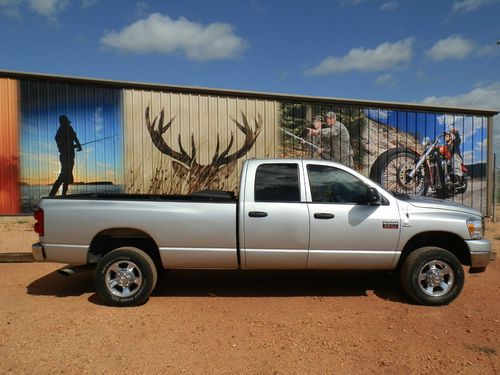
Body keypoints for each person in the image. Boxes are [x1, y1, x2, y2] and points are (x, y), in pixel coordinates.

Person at [49, 115, 82, 196]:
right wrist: (78, 146)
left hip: (67, 155)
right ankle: (52, 194)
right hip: (67, 156)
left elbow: (57, 139)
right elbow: (75, 138)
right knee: (64, 175)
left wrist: (77, 145)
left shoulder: (61, 130)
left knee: (66, 176)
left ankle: (62, 195)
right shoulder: (66, 129)